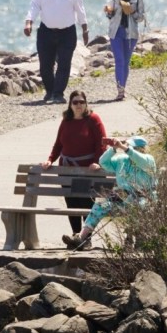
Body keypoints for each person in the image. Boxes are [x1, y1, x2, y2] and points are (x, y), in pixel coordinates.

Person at [62, 135, 157, 251]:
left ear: (141, 149)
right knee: (99, 206)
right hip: (123, 197)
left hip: (143, 197)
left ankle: (140, 240)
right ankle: (80, 238)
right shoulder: (122, 160)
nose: (127, 147)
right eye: (128, 145)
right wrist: (113, 149)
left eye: (131, 146)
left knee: (141, 207)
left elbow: (141, 160)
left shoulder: (149, 159)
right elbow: (103, 162)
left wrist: (126, 149)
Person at [40, 89, 107, 237]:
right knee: (71, 203)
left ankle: (85, 237)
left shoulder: (93, 119)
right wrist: (50, 159)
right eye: (75, 102)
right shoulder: (66, 120)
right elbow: (58, 144)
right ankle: (75, 235)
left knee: (86, 203)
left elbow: (101, 144)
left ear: (86, 103)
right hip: (67, 169)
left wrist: (97, 162)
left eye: (82, 102)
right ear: (70, 104)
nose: (79, 105)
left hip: (87, 170)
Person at [23, 0, 89, 104]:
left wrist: (85, 28)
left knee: (64, 64)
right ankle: (50, 91)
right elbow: (34, 6)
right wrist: (29, 22)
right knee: (45, 65)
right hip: (46, 32)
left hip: (67, 33)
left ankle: (58, 94)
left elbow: (80, 9)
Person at [104, 0, 146, 101]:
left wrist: (131, 12)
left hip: (131, 34)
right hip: (116, 32)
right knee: (119, 60)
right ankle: (120, 90)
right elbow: (109, 15)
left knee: (126, 62)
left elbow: (141, 18)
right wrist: (109, 11)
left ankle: (123, 87)